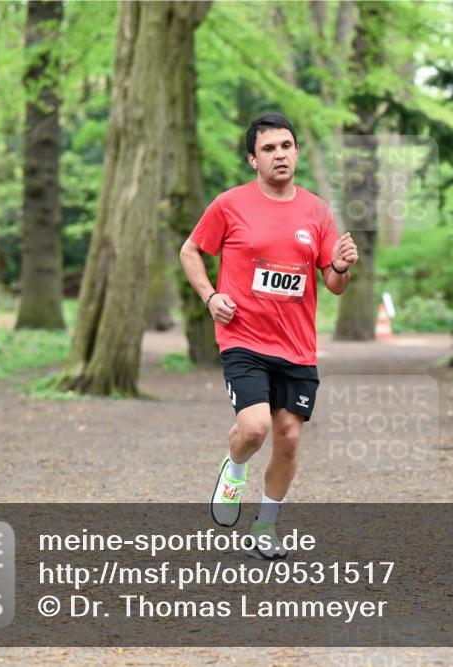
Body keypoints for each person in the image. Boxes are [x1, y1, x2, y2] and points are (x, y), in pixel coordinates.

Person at [180, 113, 358, 560]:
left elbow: (334, 285)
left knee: (290, 438)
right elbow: (190, 251)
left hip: (296, 346)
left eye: (286, 146)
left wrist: (340, 265)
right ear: (252, 159)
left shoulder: (317, 211)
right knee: (256, 428)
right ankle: (234, 469)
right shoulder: (230, 205)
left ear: (297, 151)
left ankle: (266, 524)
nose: (279, 154)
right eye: (269, 149)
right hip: (243, 338)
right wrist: (210, 296)